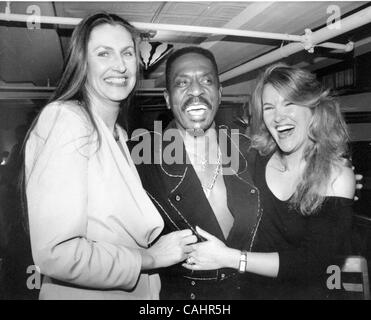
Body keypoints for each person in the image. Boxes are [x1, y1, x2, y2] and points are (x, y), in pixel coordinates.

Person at [24, 12, 196, 300]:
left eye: (127, 53)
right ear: (83, 62)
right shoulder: (66, 119)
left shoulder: (118, 133)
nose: (119, 65)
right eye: (104, 53)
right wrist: (151, 258)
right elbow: (56, 254)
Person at [183, 63, 356, 299]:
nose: (278, 116)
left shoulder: (335, 176)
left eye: (289, 103)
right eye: (269, 107)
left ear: (313, 109)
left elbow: (315, 262)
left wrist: (231, 258)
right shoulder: (256, 159)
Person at [129, 46, 261, 300]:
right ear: (167, 98)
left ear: (220, 93)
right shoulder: (141, 159)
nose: (196, 90)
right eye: (182, 82)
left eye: (207, 80)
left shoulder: (249, 151)